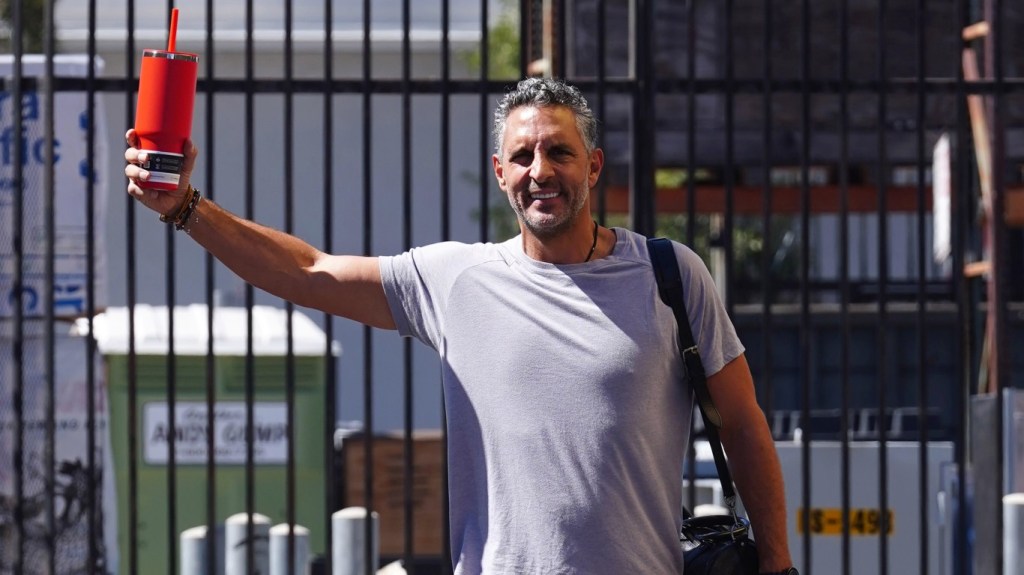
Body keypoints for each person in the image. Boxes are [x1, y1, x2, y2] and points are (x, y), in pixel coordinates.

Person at [125, 77, 796, 575]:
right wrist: (186, 207)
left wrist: (777, 563)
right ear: (502, 173)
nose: (542, 171)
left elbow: (741, 421)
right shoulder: (456, 281)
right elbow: (311, 273)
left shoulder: (669, 274)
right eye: (524, 156)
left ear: (592, 166)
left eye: (559, 152)